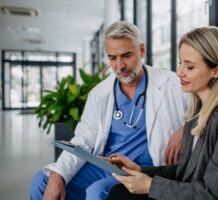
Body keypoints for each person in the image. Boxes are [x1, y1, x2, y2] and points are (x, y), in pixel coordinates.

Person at [107, 26, 218, 200]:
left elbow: (212, 194)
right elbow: (185, 171)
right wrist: (140, 170)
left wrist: (149, 185)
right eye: (180, 63)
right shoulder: (197, 112)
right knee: (120, 192)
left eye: (190, 67)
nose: (179, 73)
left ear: (216, 71)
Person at [30, 21, 188, 200]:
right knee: (42, 181)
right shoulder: (100, 93)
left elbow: (209, 107)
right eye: (112, 58)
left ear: (141, 50)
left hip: (143, 168)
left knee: (98, 192)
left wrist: (185, 129)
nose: (119, 65)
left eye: (126, 55)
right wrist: (58, 173)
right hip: (108, 165)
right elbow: (83, 140)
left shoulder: (172, 83)